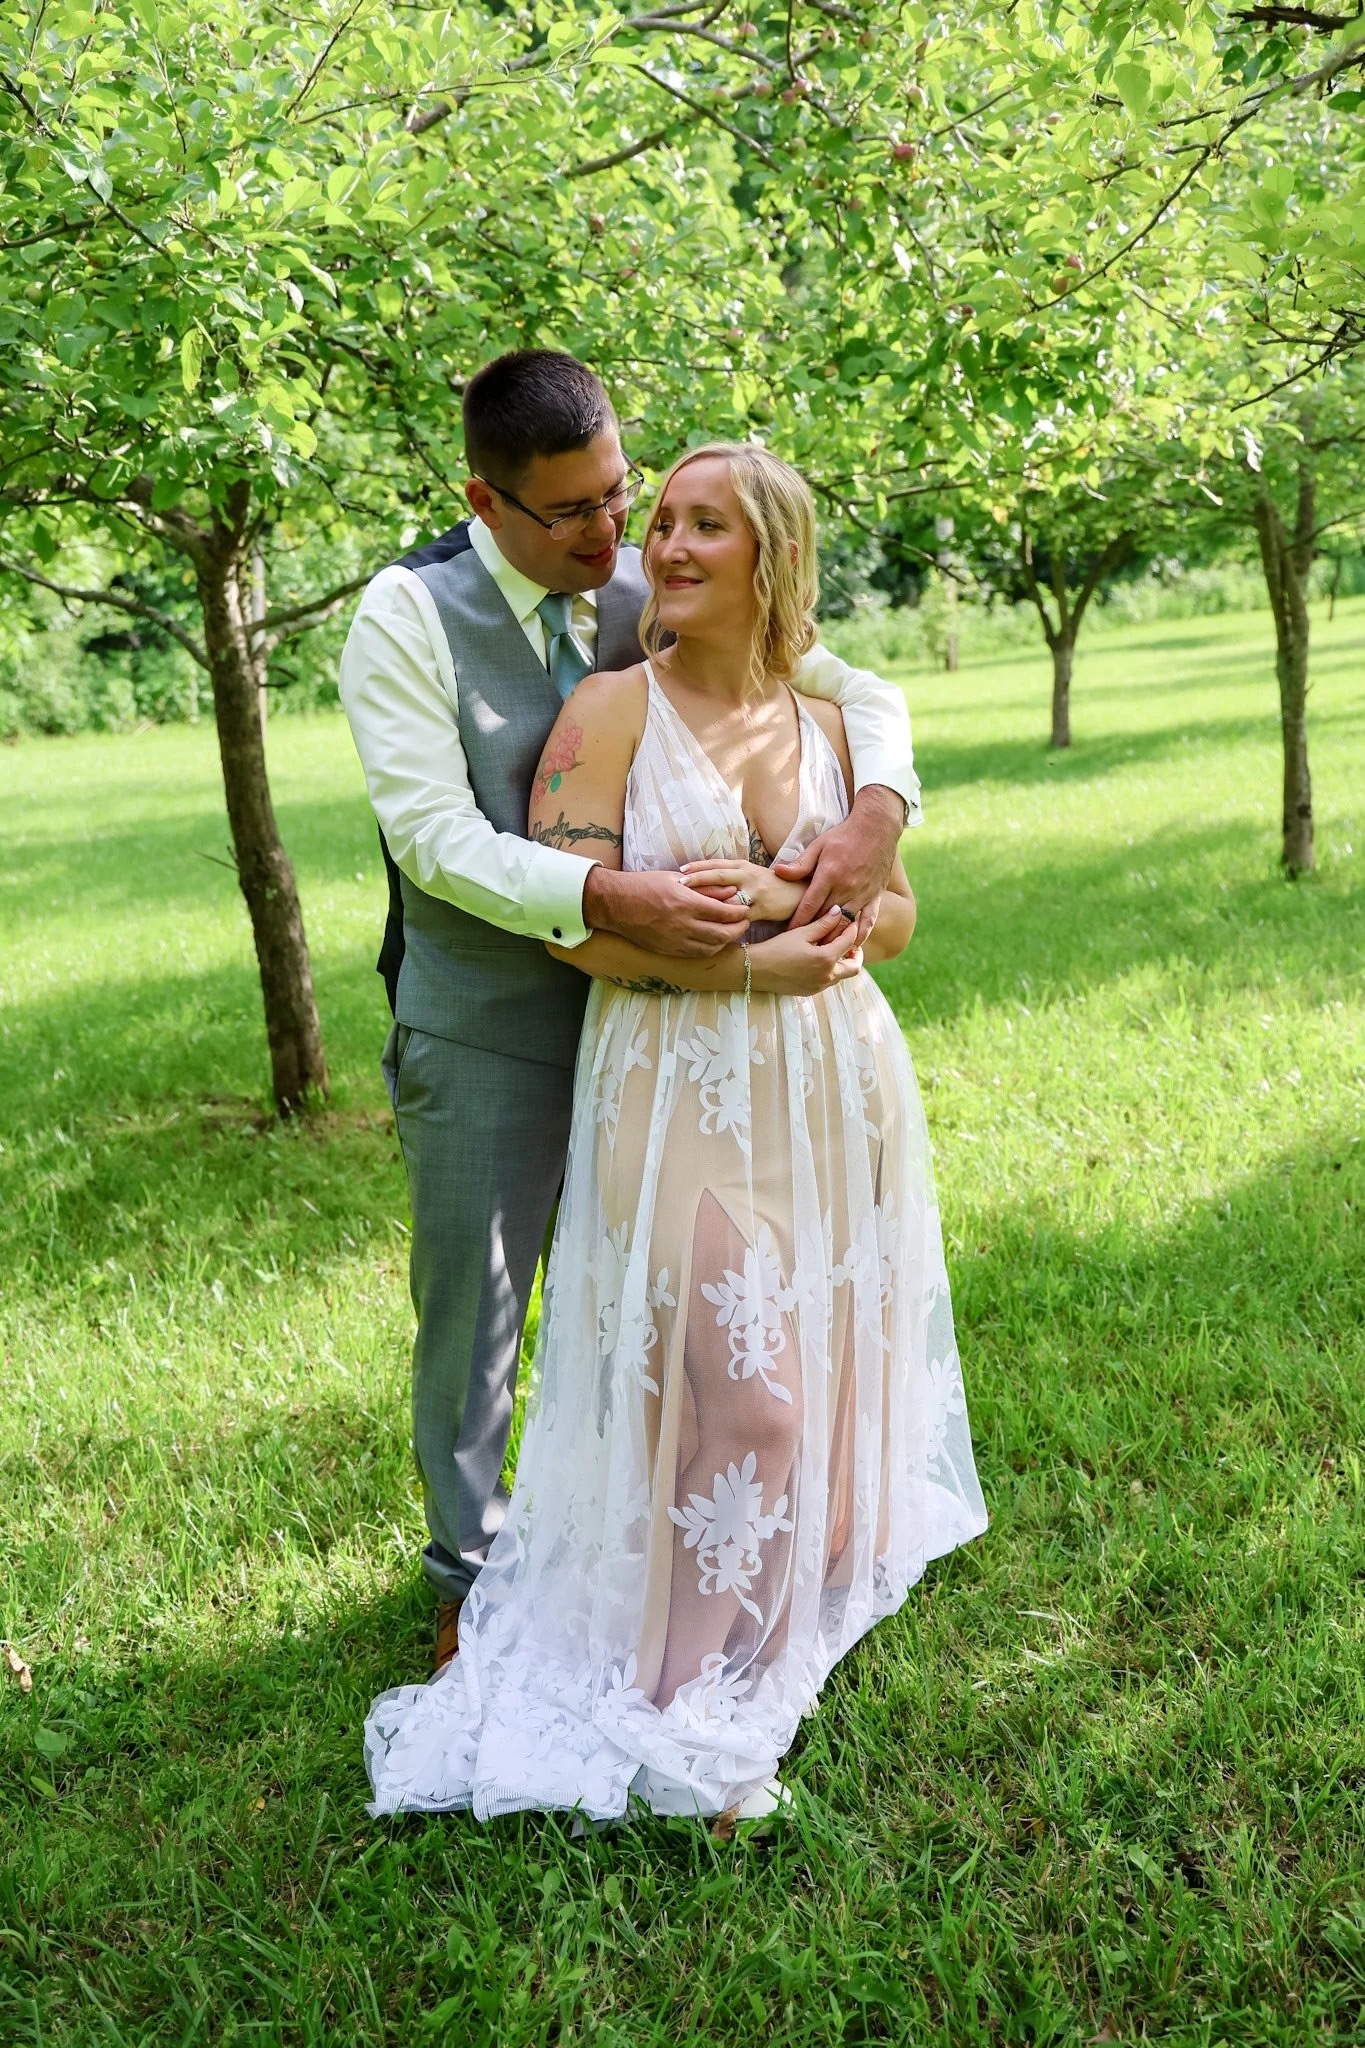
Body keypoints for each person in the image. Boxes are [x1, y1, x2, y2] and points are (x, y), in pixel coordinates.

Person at [364, 443, 986, 1823]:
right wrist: (749, 956)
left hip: (833, 1079)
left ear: (775, 556)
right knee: (742, 1393)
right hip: (677, 1071)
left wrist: (782, 891)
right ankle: (679, 1706)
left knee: (812, 1375)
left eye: (709, 526)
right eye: (665, 521)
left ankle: (754, 1628)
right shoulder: (608, 710)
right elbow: (578, 923)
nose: (670, 546)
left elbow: (893, 921)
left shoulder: (830, 726)